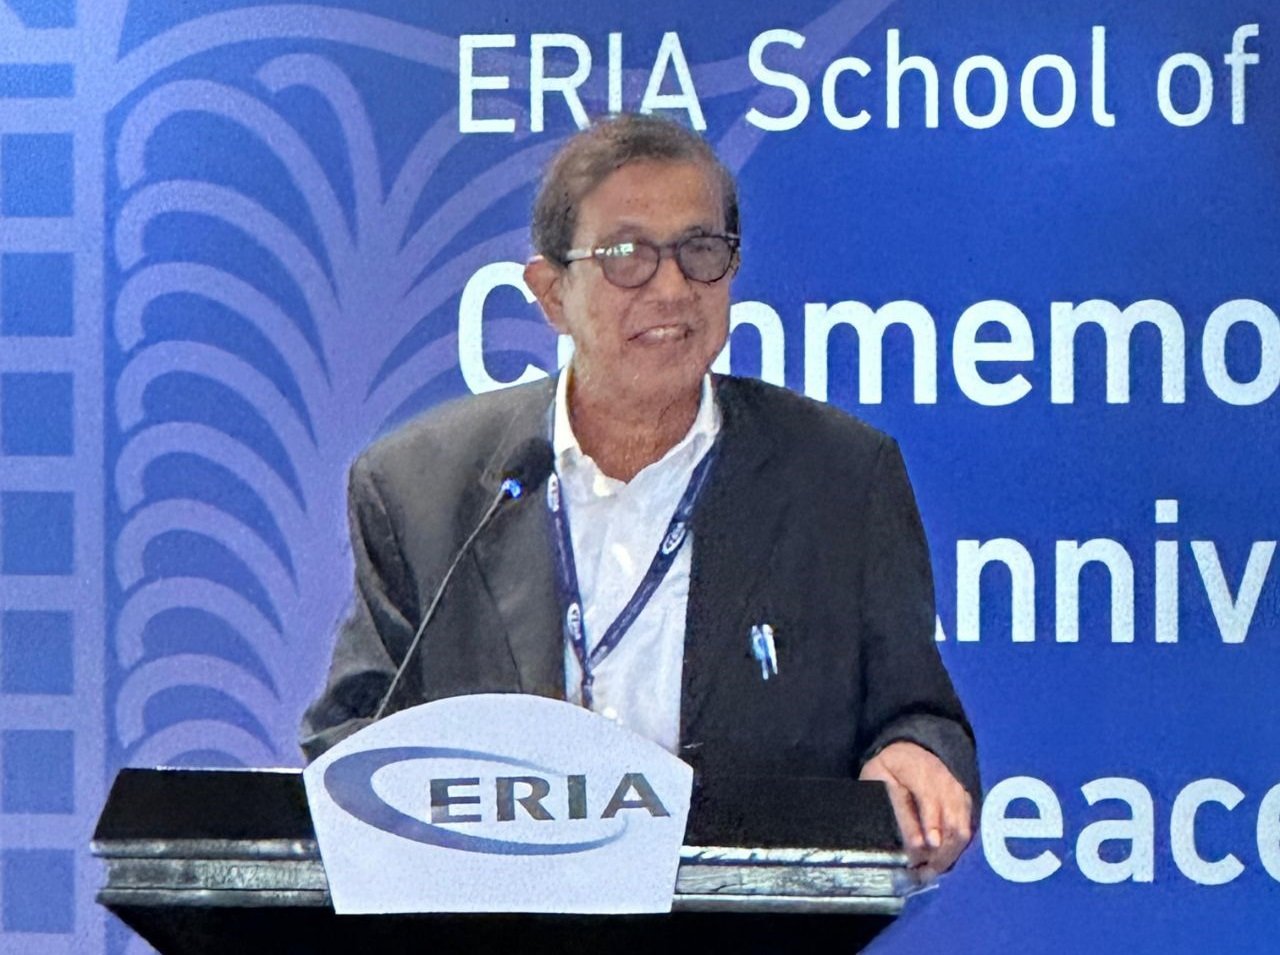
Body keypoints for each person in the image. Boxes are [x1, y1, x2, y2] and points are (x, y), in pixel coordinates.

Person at [301, 113, 978, 881]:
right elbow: (350, 746)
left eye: (700, 250)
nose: (672, 287)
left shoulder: (840, 479)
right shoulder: (420, 488)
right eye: (627, 256)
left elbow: (916, 713)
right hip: (494, 918)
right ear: (551, 293)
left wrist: (914, 753)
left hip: (750, 923)